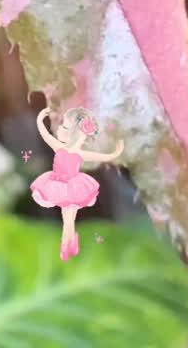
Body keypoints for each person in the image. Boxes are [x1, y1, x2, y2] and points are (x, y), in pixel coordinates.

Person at [31, 106, 124, 261]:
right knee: (68, 219)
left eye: (64, 127)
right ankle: (71, 242)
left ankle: (66, 245)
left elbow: (103, 157)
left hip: (72, 188)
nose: (59, 128)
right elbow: (45, 134)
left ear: (74, 134)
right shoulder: (59, 147)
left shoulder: (77, 153)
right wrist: (41, 117)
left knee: (68, 219)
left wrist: (116, 152)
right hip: (59, 185)